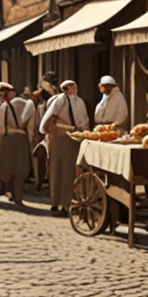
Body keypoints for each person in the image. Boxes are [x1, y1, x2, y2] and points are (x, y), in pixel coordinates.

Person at [40, 79, 90, 215]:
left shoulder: (79, 102)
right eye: (72, 87)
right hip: (61, 138)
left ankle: (69, 202)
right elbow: (51, 121)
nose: (75, 89)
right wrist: (69, 128)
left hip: (75, 139)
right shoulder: (59, 101)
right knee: (58, 169)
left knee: (70, 171)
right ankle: (56, 201)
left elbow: (85, 120)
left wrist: (83, 134)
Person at [0, 86, 37, 205]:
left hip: (9, 138)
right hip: (22, 138)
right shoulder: (29, 106)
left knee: (6, 167)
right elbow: (31, 127)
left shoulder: (4, 106)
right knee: (20, 169)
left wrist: (4, 134)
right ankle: (18, 197)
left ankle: (1, 190)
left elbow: (0, 125)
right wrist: (29, 139)